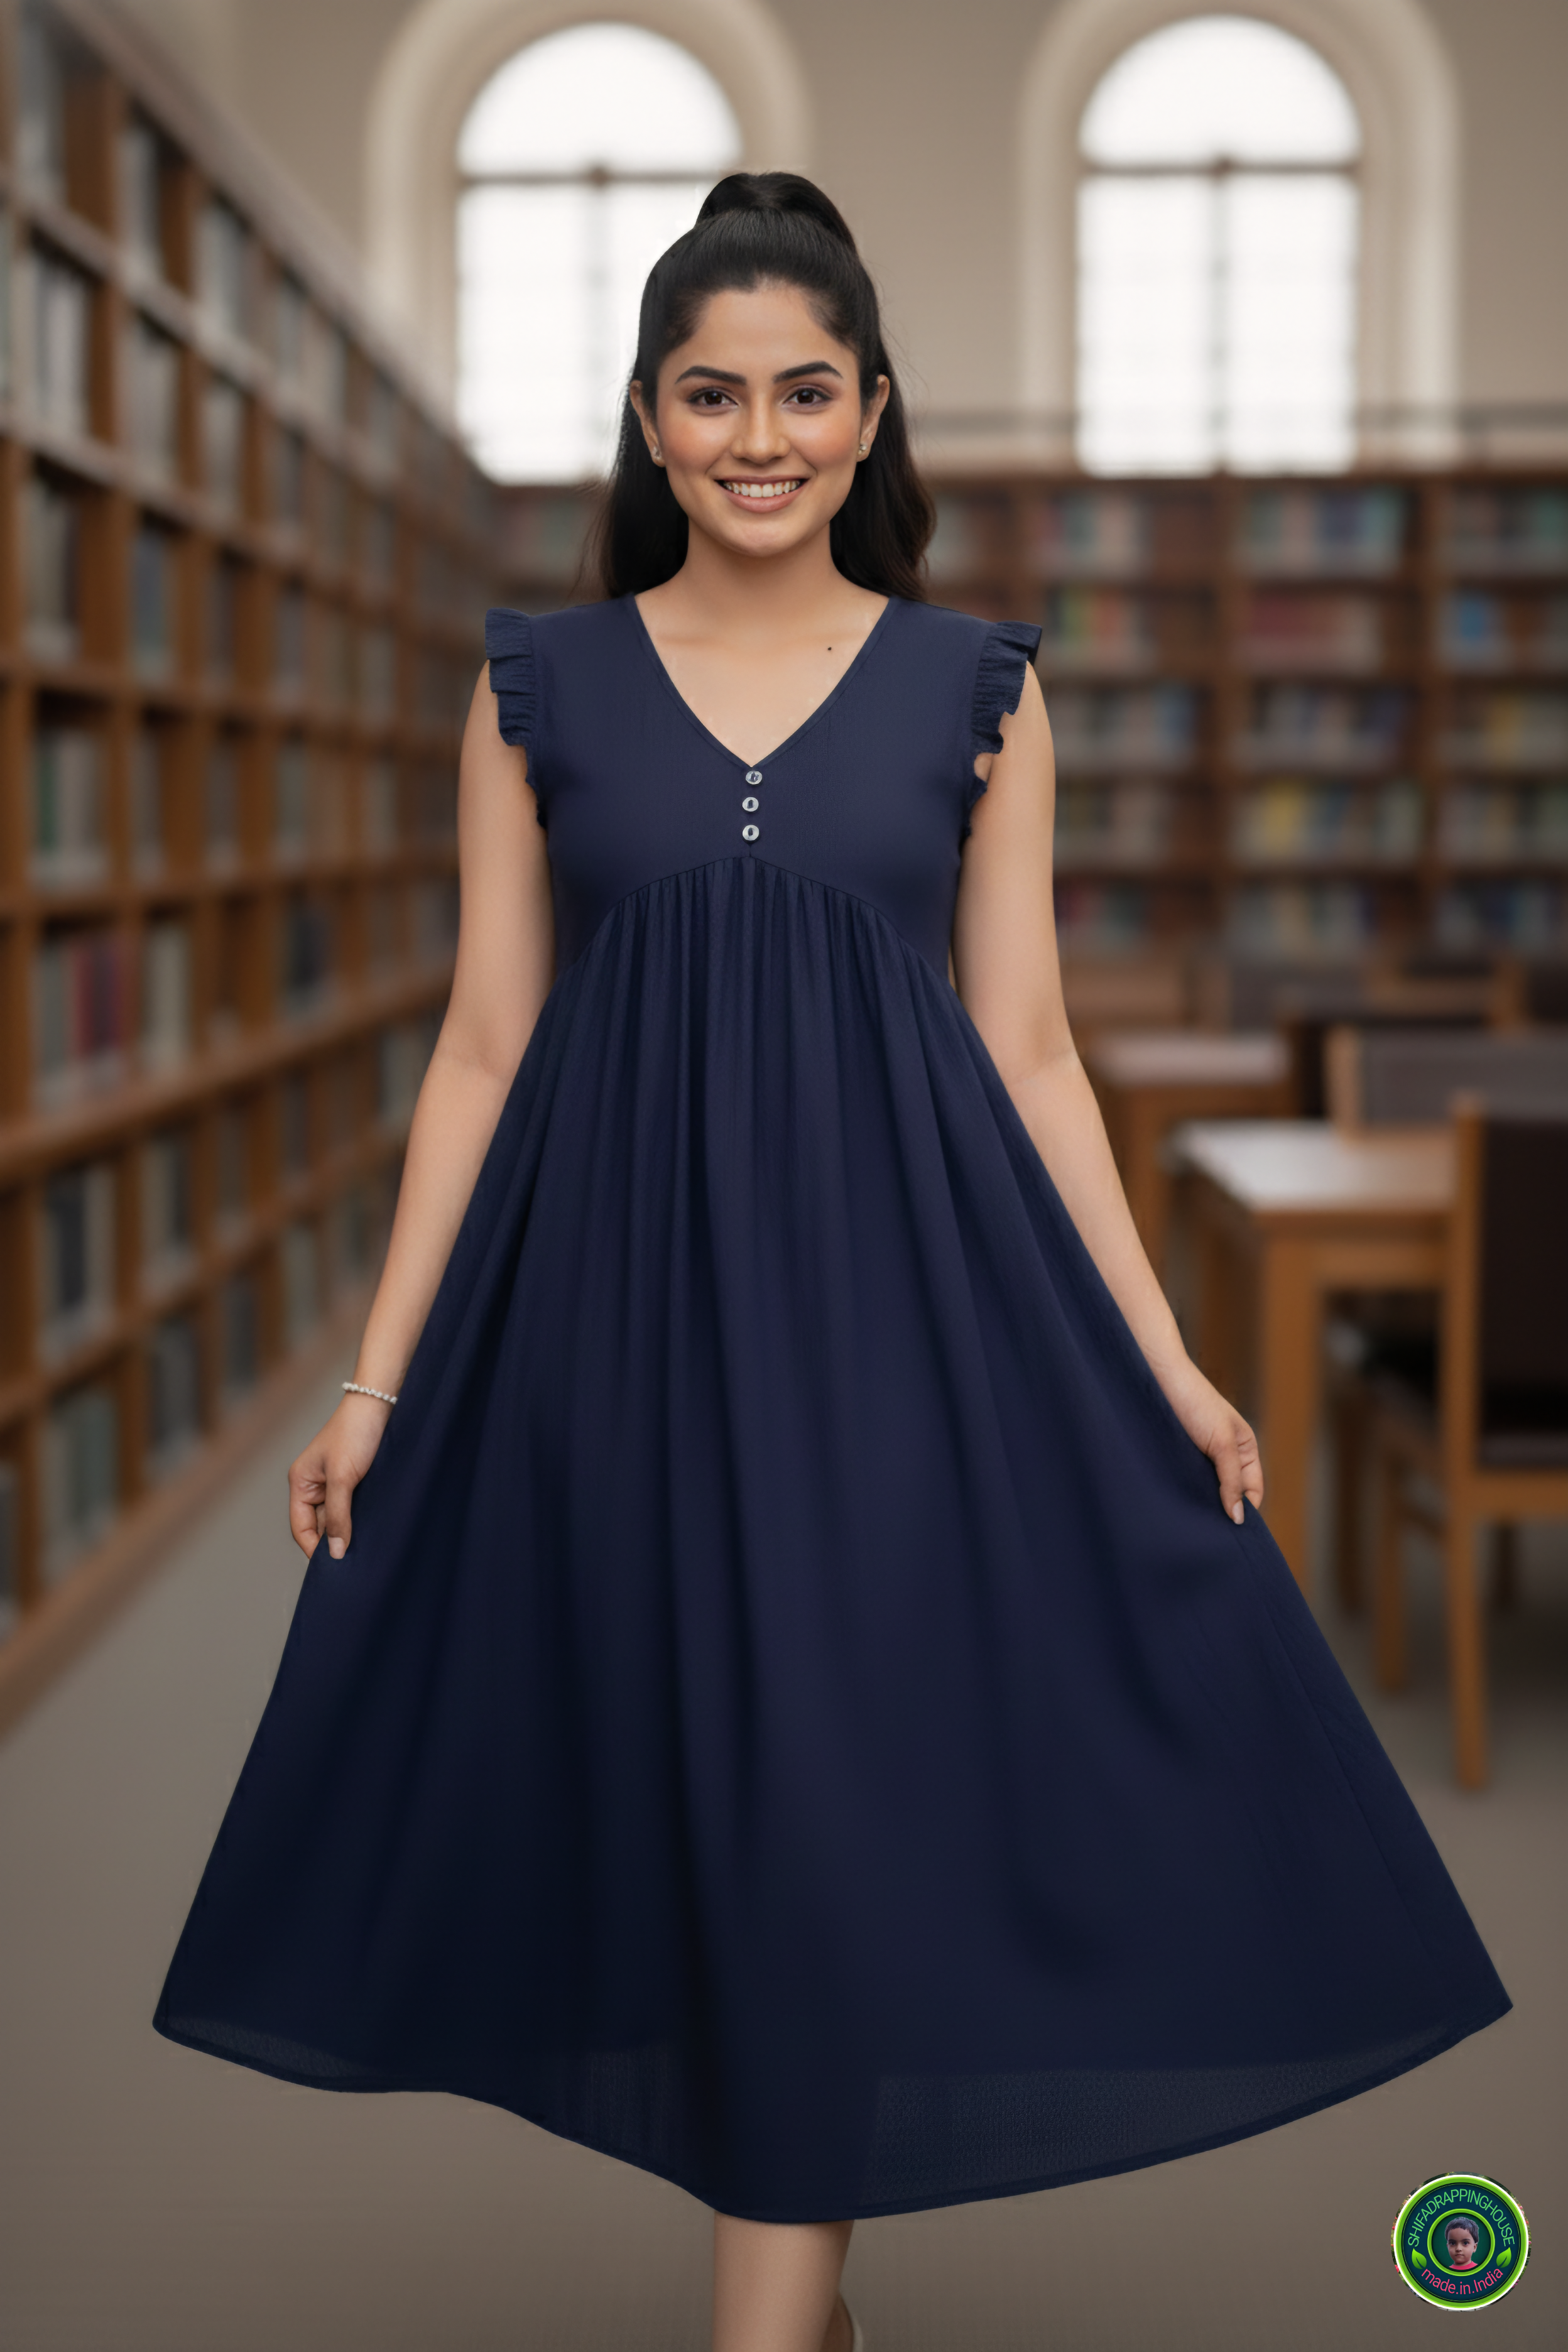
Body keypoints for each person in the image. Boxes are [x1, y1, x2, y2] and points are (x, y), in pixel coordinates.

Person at [155, 177, 1510, 2352]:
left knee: (819, 1792)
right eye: (713, 394)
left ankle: (766, 2322)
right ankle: (808, 2292)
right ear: (647, 417)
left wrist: (1161, 1357)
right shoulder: (538, 685)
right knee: (720, 1802)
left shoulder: (984, 686)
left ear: (876, 413)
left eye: (806, 390)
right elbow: (485, 1049)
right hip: (616, 1338)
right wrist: (374, 1384)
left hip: (914, 1333)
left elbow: (1036, 1054)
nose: (760, 434)